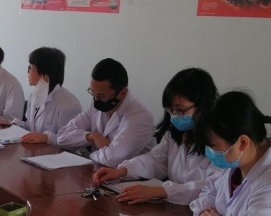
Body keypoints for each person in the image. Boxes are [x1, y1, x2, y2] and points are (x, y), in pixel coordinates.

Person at [92, 68, 219, 205]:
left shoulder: (218, 144)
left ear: (203, 106)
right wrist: (123, 170)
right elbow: (156, 160)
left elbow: (211, 186)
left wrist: (161, 191)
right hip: (174, 207)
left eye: (180, 110)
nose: (174, 115)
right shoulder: (175, 134)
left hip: (202, 210)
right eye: (171, 110)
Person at [57, 58, 154, 166]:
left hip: (130, 175)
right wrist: (92, 136)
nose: (96, 99)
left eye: (101, 96)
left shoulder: (140, 117)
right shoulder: (95, 105)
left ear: (122, 93)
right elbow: (62, 137)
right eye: (93, 93)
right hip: (98, 170)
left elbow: (112, 159)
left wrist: (88, 155)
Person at [12, 47, 81, 144]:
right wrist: (14, 126)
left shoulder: (69, 104)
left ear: (44, 74)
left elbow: (71, 140)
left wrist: (47, 137)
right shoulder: (34, 96)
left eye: (30, 68)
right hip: (34, 149)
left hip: (57, 153)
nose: (28, 72)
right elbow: (31, 127)